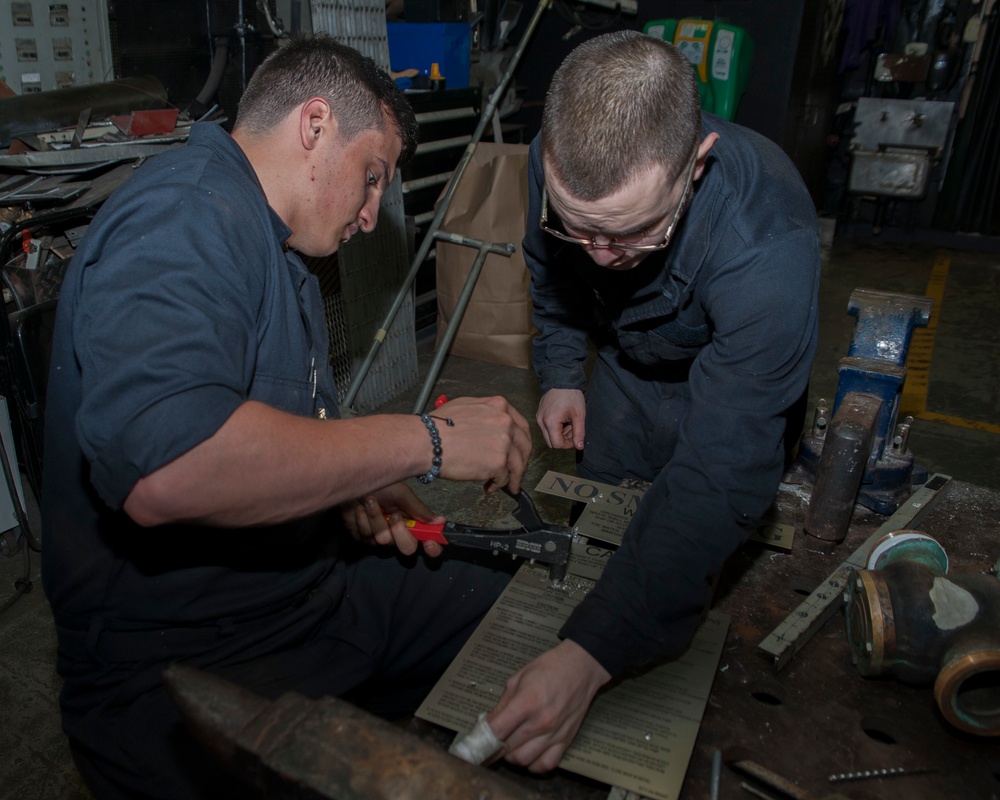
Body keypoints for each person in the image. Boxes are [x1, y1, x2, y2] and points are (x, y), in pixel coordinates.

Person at [40, 35, 532, 799]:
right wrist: (424, 441)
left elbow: (263, 431)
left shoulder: (281, 250)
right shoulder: (186, 215)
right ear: (313, 126)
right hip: (183, 655)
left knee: (527, 608)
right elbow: (169, 468)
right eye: (372, 177)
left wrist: (346, 489)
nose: (373, 215)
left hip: (304, 594)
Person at [485, 31, 820, 771]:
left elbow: (719, 471)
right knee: (601, 521)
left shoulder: (768, 247)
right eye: (581, 227)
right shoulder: (565, 158)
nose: (601, 256)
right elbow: (550, 274)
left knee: (706, 547)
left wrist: (592, 654)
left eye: (633, 232)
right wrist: (566, 370)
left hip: (725, 385)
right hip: (627, 379)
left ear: (695, 163)